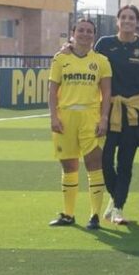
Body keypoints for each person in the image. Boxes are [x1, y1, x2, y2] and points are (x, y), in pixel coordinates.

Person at [94, 5, 139, 226]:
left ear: (137, 23)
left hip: (133, 113)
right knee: (104, 159)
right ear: (117, 21)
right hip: (108, 111)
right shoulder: (104, 44)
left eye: (132, 18)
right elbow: (91, 65)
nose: (128, 21)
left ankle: (118, 207)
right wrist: (67, 48)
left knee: (126, 163)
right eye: (124, 17)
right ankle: (115, 197)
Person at [47, 18, 112, 229]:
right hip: (65, 117)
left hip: (90, 117)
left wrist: (104, 118)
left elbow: (107, 92)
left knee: (94, 164)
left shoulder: (101, 61)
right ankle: (68, 214)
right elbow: (52, 91)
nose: (85, 34)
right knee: (69, 165)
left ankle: (94, 215)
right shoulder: (60, 59)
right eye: (81, 30)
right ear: (73, 33)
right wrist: (53, 117)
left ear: (94, 35)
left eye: (89, 31)